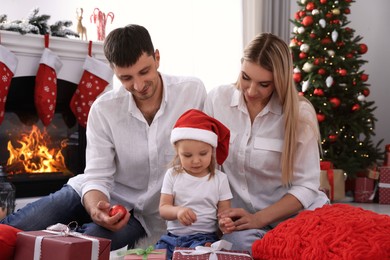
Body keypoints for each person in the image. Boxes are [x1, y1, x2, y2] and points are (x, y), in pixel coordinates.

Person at [1, 24, 207, 250]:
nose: (138, 86)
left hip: (142, 217)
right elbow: (97, 175)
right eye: (126, 78)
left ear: (157, 58)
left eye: (144, 72)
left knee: (81, 246)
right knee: (17, 227)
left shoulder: (191, 92)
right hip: (92, 193)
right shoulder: (104, 108)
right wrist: (95, 209)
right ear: (113, 71)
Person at [203, 33, 329, 253]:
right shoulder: (217, 100)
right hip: (244, 224)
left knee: (311, 248)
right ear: (241, 66)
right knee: (237, 245)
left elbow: (307, 186)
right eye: (245, 77)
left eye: (263, 84)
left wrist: (259, 218)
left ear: (279, 80)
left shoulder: (299, 113)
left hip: (294, 217)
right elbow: (208, 167)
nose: (251, 91)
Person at [155, 109, 233, 259]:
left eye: (203, 154)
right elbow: (163, 209)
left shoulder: (220, 179)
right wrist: (178, 211)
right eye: (187, 155)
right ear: (178, 152)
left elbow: (224, 214)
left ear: (212, 150)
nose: (196, 161)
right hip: (172, 238)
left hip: (204, 239)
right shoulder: (172, 174)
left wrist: (224, 223)